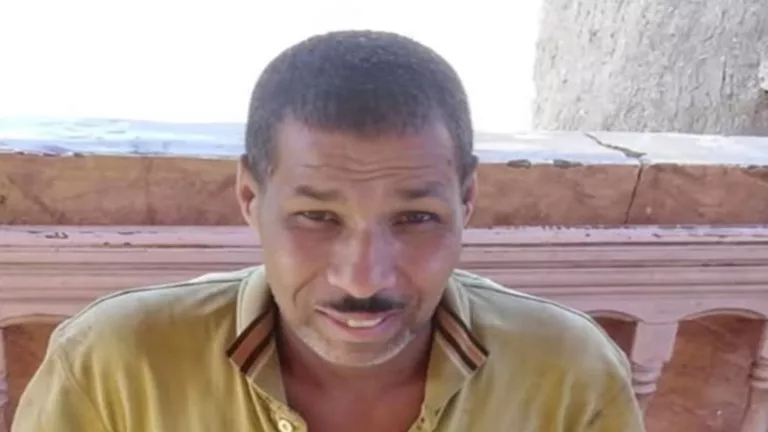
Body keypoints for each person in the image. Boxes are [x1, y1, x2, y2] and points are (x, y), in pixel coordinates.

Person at [12, 30, 644, 432]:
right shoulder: (114, 370)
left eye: (416, 218)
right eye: (318, 218)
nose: (363, 279)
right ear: (251, 199)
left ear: (467, 201)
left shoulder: (569, 377)